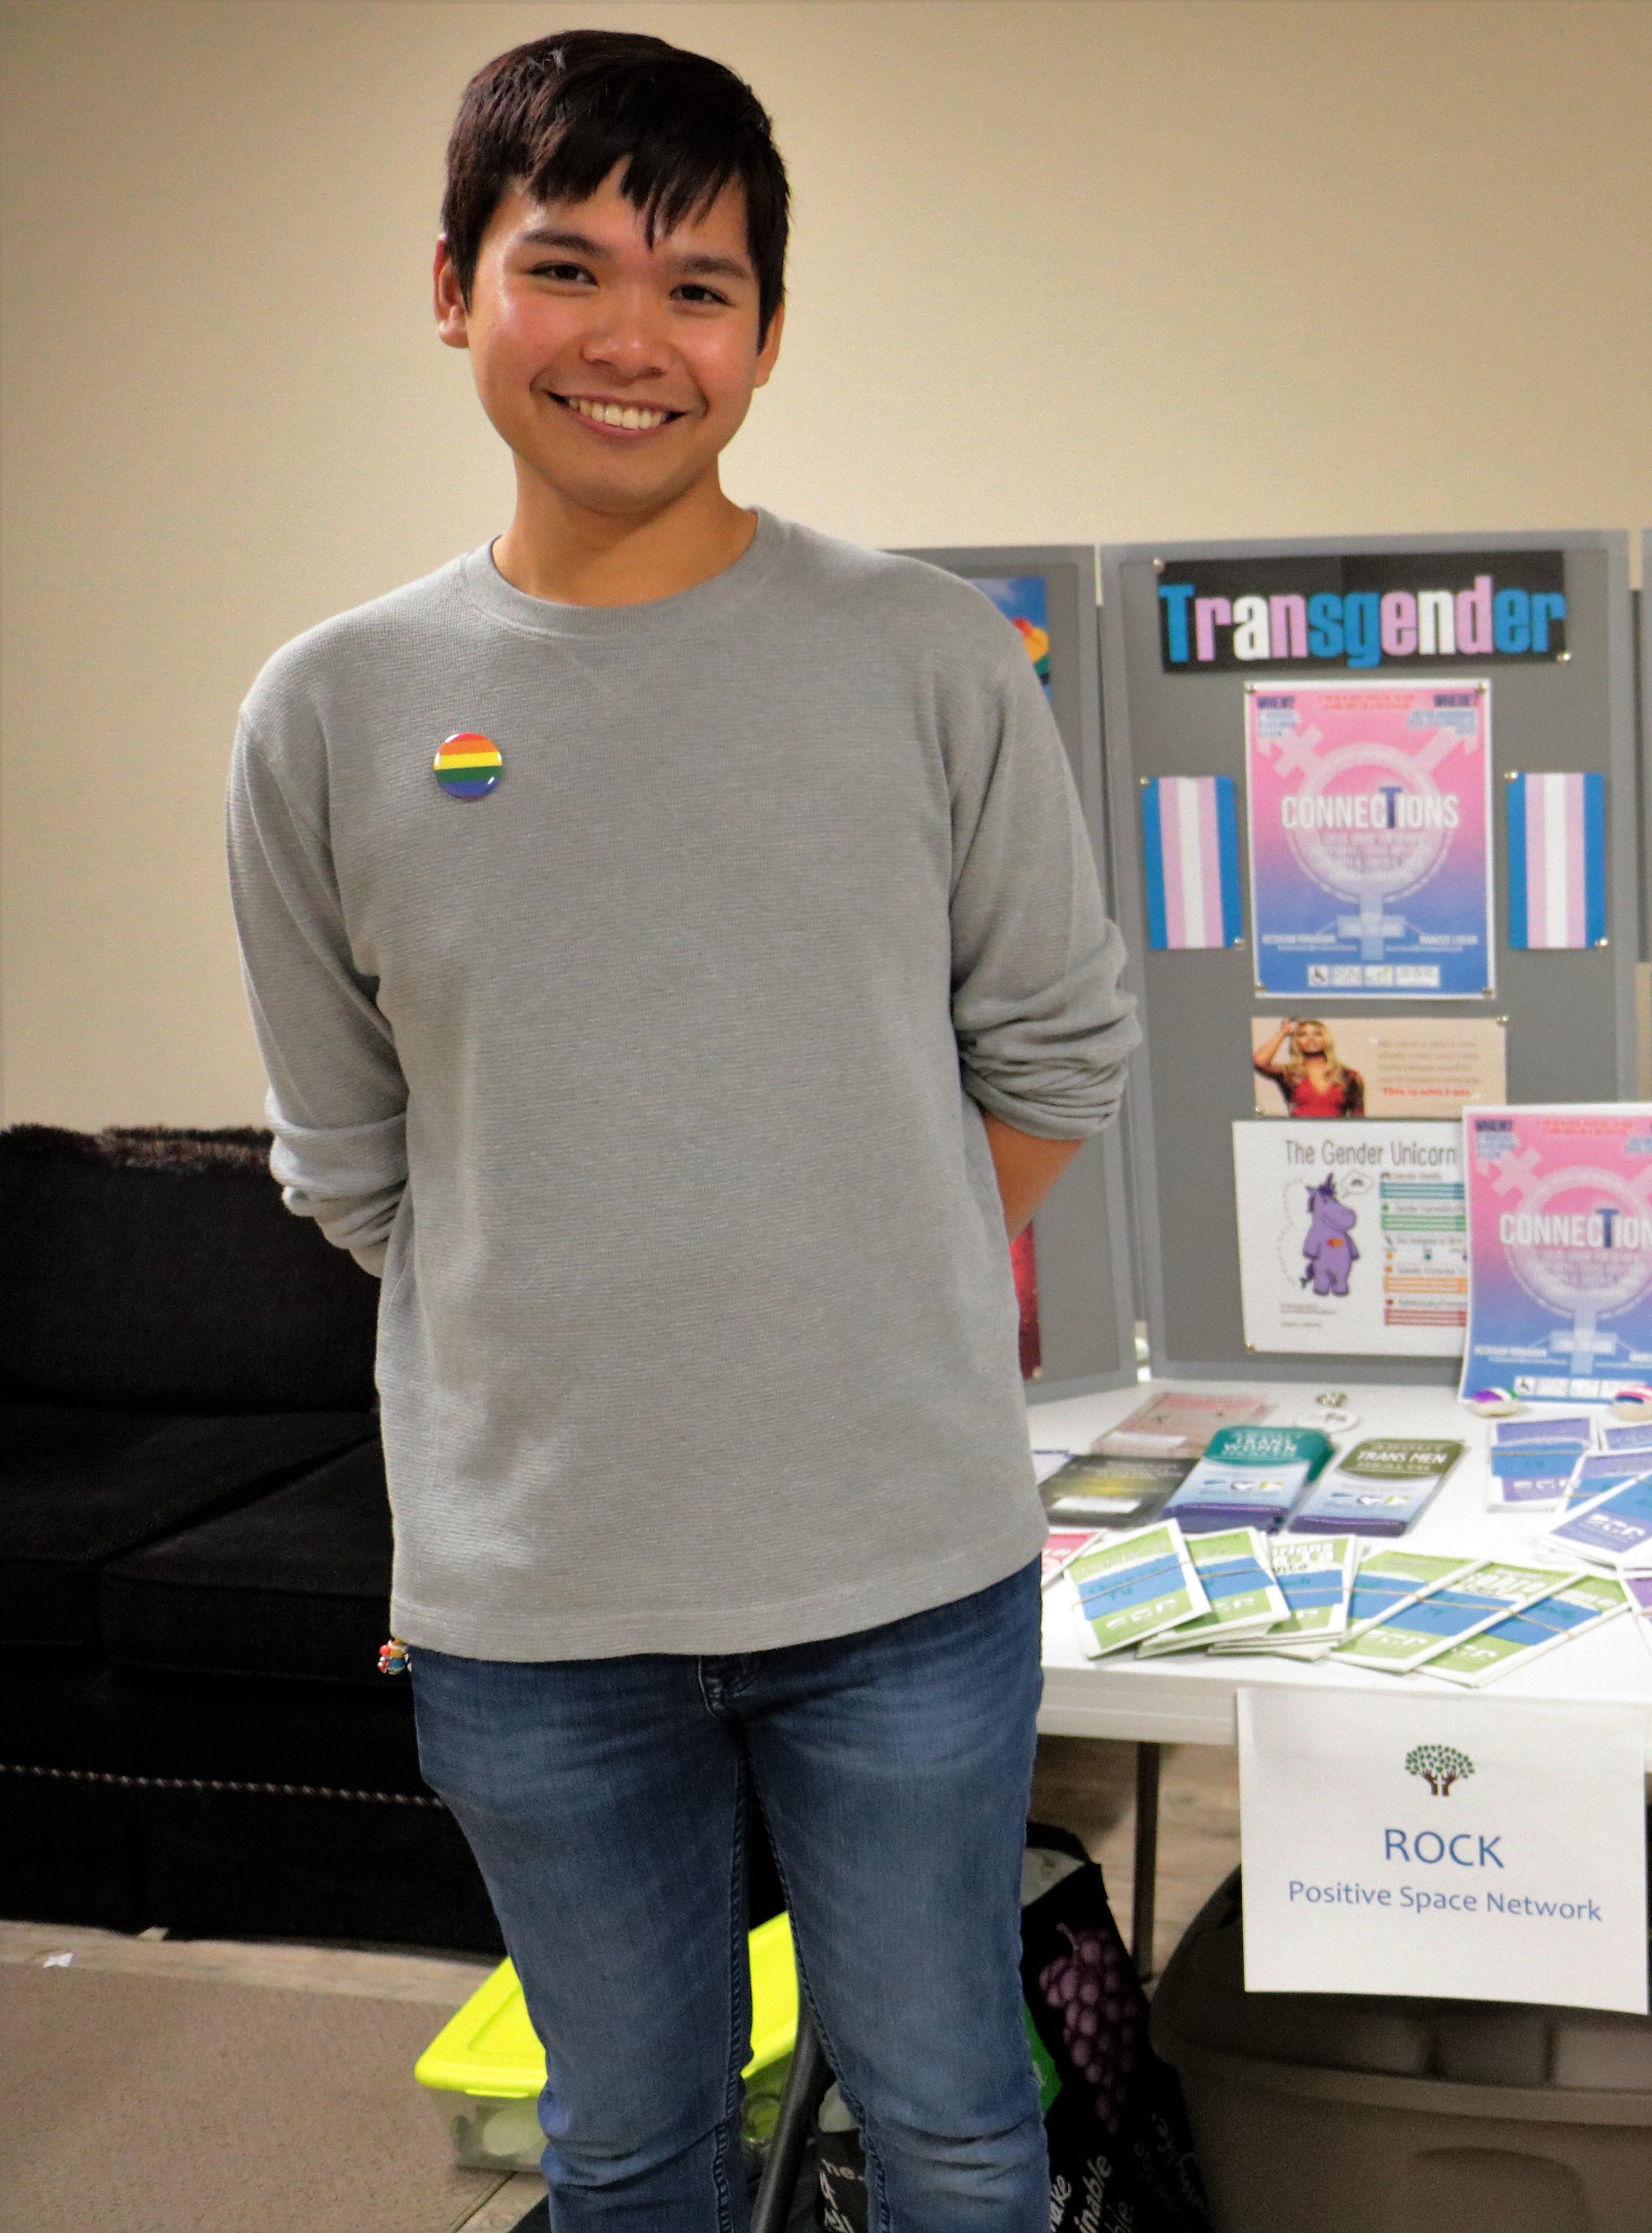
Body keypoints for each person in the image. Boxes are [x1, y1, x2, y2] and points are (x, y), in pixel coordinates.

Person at [224, 32, 1134, 2231]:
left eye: (699, 286)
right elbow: (348, 1161)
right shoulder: (330, 710)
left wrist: (855, 1254)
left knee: (952, 2127)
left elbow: (1058, 1056)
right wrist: (562, 1345)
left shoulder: (928, 658)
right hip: (536, 1613)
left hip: (905, 1577)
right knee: (625, 2148)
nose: (633, 339)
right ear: (453, 289)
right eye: (567, 267)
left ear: (768, 335)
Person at [1255, 1016, 1366, 1117]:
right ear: (1296, 1041)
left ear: (1326, 1039)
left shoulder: (1349, 1076)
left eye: (1317, 1034)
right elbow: (1259, 1062)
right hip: (1300, 1136)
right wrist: (1284, 1032)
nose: (1311, 1039)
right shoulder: (1289, 1074)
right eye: (1303, 1035)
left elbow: (1359, 1118)